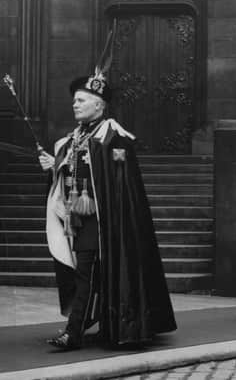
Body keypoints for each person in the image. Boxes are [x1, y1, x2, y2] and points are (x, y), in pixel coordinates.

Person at [38, 68, 176, 350]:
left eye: (81, 100)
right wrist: (54, 166)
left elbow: (120, 177)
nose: (75, 104)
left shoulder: (114, 136)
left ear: (98, 105)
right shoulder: (74, 137)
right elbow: (71, 172)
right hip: (77, 217)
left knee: (85, 275)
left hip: (108, 220)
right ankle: (104, 326)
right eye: (75, 100)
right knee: (92, 275)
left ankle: (73, 333)